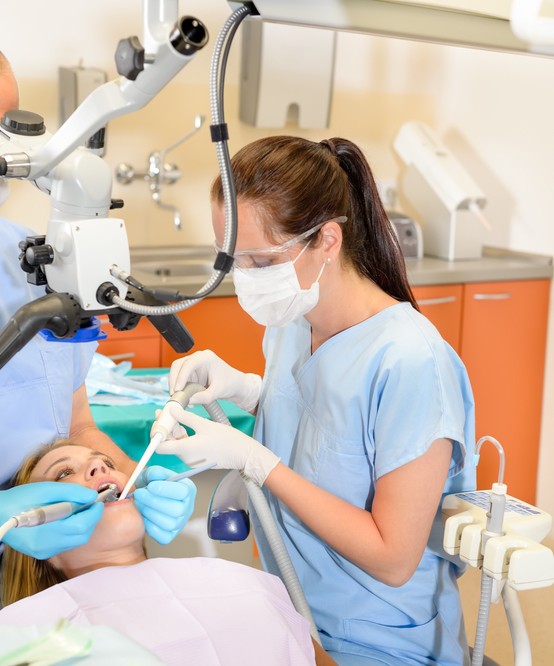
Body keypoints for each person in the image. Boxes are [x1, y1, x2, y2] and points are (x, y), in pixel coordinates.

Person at [155, 135, 477, 666]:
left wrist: (256, 461)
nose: (245, 279)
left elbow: (393, 557)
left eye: (262, 260)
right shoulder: (292, 322)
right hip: (290, 611)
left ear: (327, 239)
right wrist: (249, 390)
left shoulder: (411, 361)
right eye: (234, 260)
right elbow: (326, 430)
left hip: (377, 638)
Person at [0, 50, 195, 565]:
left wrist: (132, 478)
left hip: (46, 558)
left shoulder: (34, 260)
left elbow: (79, 426)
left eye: (6, 122)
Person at [0, 440, 337, 666]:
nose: (99, 467)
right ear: (30, 530)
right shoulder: (28, 635)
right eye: (63, 473)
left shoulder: (246, 582)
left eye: (106, 462)